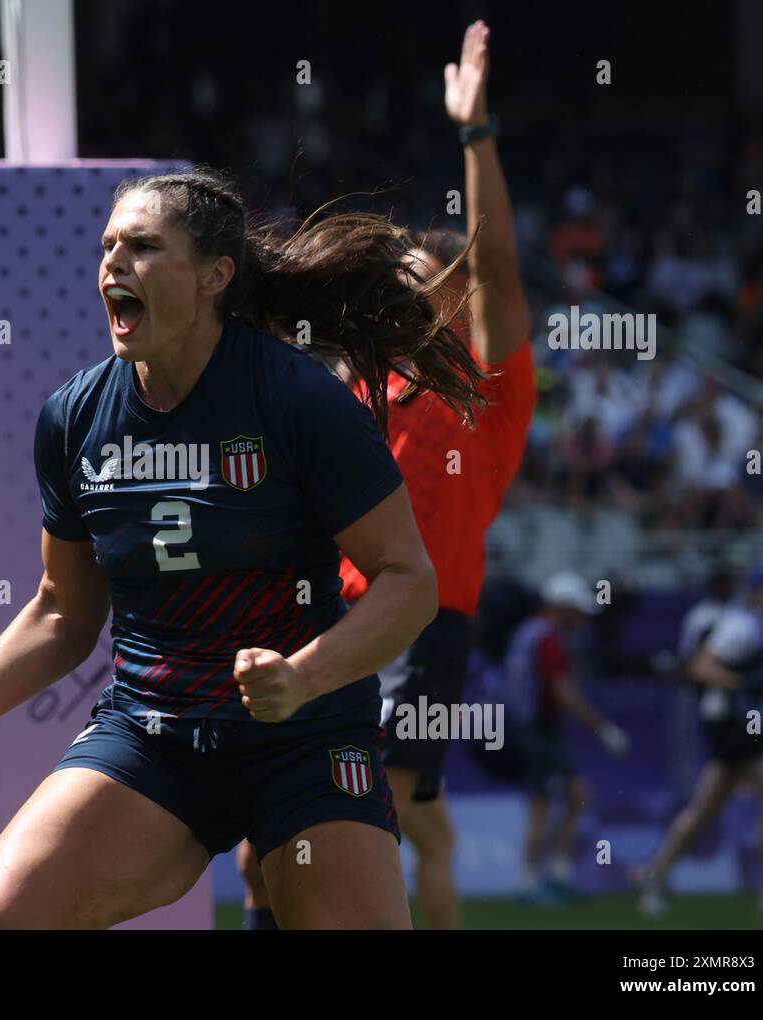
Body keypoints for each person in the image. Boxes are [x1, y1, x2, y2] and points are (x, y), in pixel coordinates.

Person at [0, 165, 488, 929]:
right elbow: (62, 613)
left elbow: (408, 582)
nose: (114, 264)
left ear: (216, 276)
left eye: (144, 247)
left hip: (307, 738)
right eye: (109, 247)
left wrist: (302, 675)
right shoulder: (75, 417)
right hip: (153, 738)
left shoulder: (299, 402)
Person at [237, 18, 535, 931]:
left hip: (421, 631)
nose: (395, 286)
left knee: (357, 832)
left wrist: (475, 132)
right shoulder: (358, 387)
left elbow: (495, 262)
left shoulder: (486, 382)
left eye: (415, 273)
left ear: (457, 295)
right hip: (329, 623)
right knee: (266, 853)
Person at [636, 566, 763, 916]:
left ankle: (656, 873)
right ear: (757, 593)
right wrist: (744, 686)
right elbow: (701, 667)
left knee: (706, 807)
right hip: (731, 722)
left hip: (751, 724)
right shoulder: (741, 627)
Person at [500, 572, 631, 903]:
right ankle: (530, 884)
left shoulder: (530, 632)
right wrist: (603, 728)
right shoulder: (547, 639)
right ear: (561, 607)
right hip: (536, 730)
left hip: (534, 727)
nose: (581, 619)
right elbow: (562, 692)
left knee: (575, 795)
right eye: (577, 611)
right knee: (543, 805)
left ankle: (557, 873)